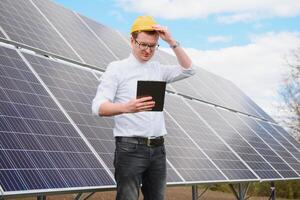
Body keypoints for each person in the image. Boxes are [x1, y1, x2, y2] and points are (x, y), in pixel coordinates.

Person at [92, 16, 196, 200]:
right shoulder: (117, 68)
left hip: (158, 149)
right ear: (132, 41)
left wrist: (171, 41)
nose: (147, 50)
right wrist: (126, 107)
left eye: (153, 46)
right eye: (143, 44)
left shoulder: (159, 69)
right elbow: (98, 107)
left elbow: (189, 70)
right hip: (130, 149)